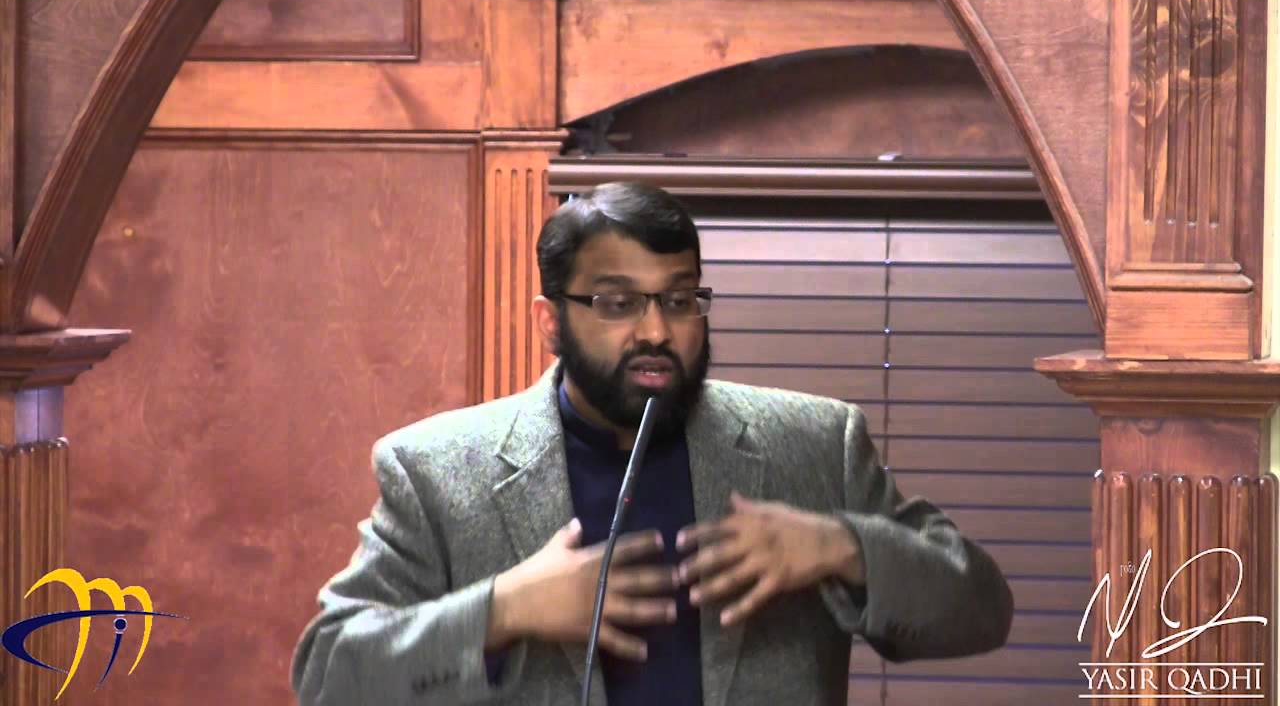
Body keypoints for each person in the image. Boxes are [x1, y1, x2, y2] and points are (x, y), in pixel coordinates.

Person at [291, 182, 1014, 706]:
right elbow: (329, 676)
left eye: (678, 298)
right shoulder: (436, 471)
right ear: (550, 321)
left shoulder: (816, 444)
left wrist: (841, 548)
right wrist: (504, 611)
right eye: (617, 303)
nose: (657, 331)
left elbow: (980, 609)